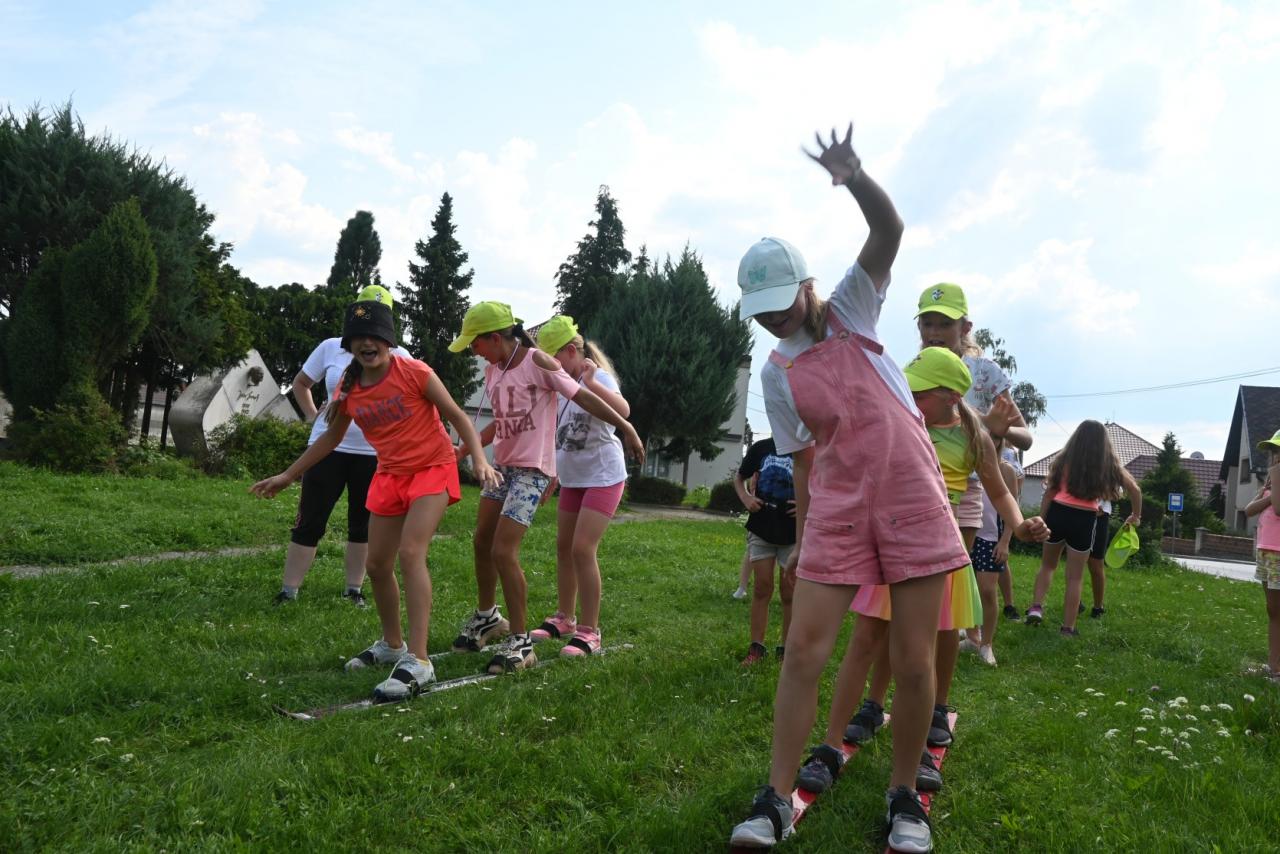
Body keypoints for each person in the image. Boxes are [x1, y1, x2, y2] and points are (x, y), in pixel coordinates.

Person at [727, 123, 972, 854]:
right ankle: (775, 799)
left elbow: (889, 229)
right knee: (804, 651)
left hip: (910, 493)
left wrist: (854, 177)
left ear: (807, 285)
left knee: (913, 657)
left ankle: (905, 801)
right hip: (836, 506)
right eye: (761, 309)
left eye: (782, 299)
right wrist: (804, 538)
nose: (775, 316)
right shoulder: (777, 371)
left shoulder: (850, 308)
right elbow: (804, 461)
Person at [796, 348, 1047, 800]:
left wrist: (1019, 523)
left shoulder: (974, 436)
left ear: (951, 396)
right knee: (865, 639)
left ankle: (925, 734)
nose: (908, 399)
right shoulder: (902, 421)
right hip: (889, 542)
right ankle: (831, 744)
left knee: (932, 646)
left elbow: (998, 490)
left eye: (919, 393)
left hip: (938, 550)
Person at [250, 294, 500, 701]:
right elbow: (330, 437)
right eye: (358, 337)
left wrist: (480, 460)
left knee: (411, 552)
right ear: (349, 345)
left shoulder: (415, 372)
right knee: (378, 564)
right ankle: (392, 645)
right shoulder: (349, 388)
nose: (367, 343)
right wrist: (288, 475)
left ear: (389, 341)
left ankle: (419, 660)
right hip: (390, 474)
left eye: (375, 336)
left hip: (431, 468)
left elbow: (457, 416)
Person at [448, 302, 644, 675]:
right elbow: (502, 422)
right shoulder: (494, 370)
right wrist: (465, 449)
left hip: (532, 471)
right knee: (481, 541)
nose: (473, 351)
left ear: (494, 338)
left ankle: (521, 643)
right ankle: (488, 617)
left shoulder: (538, 362)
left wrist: (627, 427)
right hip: (503, 468)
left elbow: (582, 397)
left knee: (504, 551)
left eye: (475, 343)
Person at [272, 285, 412, 607]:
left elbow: (409, 402)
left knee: (362, 525)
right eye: (364, 313)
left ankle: (353, 589)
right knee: (310, 520)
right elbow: (301, 383)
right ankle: (289, 591)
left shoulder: (401, 356)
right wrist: (313, 417)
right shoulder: (331, 347)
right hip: (327, 448)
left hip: (374, 454)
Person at [915, 283, 1034, 627]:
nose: (934, 333)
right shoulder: (917, 367)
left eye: (945, 324)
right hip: (920, 482)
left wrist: (998, 429)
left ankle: (956, 635)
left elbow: (1025, 438)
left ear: (965, 327)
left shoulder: (985, 372)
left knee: (951, 577)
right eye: (927, 323)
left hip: (968, 483)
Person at [527, 315, 630, 657]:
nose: (549, 365)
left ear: (571, 351)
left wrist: (592, 383)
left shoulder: (597, 377)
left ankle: (589, 631)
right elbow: (561, 434)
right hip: (573, 477)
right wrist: (553, 473)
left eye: (553, 357)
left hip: (603, 475)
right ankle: (565, 618)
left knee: (583, 549)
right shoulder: (561, 385)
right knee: (564, 547)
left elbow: (623, 411)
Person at [1025, 420, 1142, 635]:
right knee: (1075, 577)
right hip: (1085, 519)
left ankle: (1036, 608)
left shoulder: (1064, 459)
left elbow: (1050, 493)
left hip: (1057, 513)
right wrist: (1135, 516)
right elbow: (1134, 489)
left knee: (1048, 566)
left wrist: (1041, 519)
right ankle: (1068, 628)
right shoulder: (1109, 465)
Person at [733, 437, 796, 665]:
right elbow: (739, 478)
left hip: (793, 534)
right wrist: (746, 498)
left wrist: (807, 506)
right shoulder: (761, 448)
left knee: (789, 592)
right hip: (761, 528)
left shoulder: (807, 450)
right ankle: (756, 649)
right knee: (762, 588)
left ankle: (786, 651)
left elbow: (823, 486)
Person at [1244, 429, 1280, 682]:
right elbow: (1248, 510)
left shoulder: (1277, 477)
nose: (1276, 456)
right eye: (1274, 452)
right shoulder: (1272, 482)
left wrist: (1275, 478)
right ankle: (1274, 666)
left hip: (1279, 552)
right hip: (1267, 552)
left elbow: (1278, 508)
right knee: (1273, 611)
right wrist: (1266, 490)